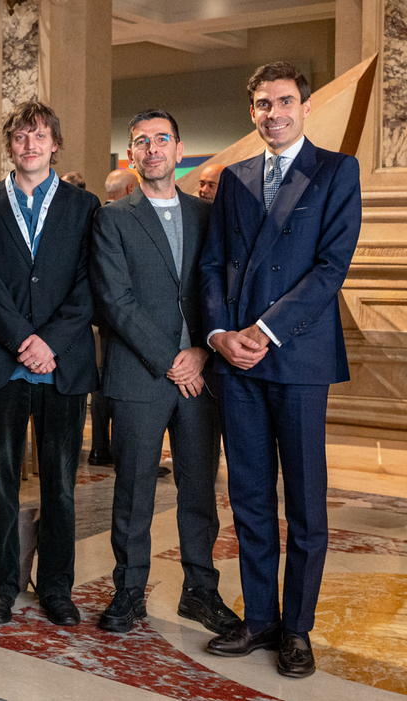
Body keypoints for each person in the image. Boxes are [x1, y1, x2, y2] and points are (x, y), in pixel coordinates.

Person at [200, 62, 361, 678]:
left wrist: (264, 331)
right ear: (253, 113)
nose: (275, 113)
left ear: (306, 107)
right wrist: (219, 334)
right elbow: (212, 264)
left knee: (306, 504)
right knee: (249, 497)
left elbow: (331, 267)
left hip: (296, 357)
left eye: (286, 101)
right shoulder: (235, 178)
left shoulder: (337, 171)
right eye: (264, 104)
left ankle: (297, 629)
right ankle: (260, 618)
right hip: (236, 362)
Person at [90, 109, 240, 635]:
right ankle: (129, 591)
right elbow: (116, 300)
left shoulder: (207, 216)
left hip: (201, 377)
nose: (152, 149)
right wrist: (174, 359)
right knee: (133, 491)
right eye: (141, 141)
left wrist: (201, 352)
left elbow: (222, 291)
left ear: (179, 149)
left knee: (199, 490)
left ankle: (200, 591)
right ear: (132, 155)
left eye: (162, 139)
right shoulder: (112, 218)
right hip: (140, 375)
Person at [0, 101, 99, 627]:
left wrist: (50, 343)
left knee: (60, 484)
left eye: (39, 136)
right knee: (0, 481)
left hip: (63, 364)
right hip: (4, 361)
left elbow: (90, 283)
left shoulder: (84, 206)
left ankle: (57, 587)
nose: (30, 145)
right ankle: (0, 585)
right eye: (20, 136)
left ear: (54, 144)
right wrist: (24, 340)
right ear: (9, 145)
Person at [90, 168, 140, 468]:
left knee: (104, 378)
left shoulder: (95, 215)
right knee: (117, 383)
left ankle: (100, 447)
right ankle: (118, 453)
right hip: (122, 315)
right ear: (131, 188)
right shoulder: (118, 218)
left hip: (103, 316)